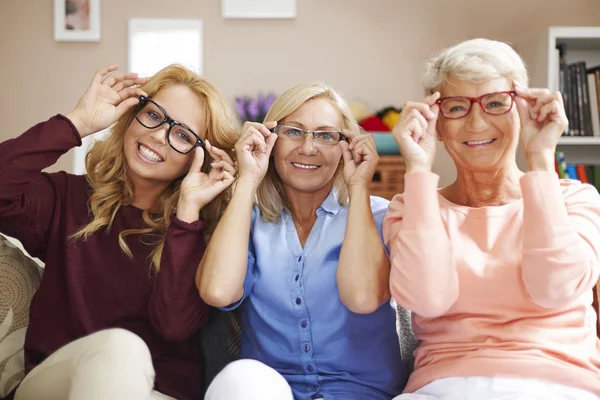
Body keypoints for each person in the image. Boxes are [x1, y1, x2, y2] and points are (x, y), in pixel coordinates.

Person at [0, 64, 239, 400]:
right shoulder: (64, 198)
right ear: (131, 115)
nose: (159, 136)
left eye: (183, 135)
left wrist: (187, 213)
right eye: (154, 116)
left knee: (125, 353)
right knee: (121, 348)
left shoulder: (198, 234)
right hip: (59, 384)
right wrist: (77, 122)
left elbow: (173, 326)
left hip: (157, 392)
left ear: (199, 159)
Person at [385, 38, 600, 399]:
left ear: (523, 111)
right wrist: (417, 168)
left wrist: (541, 158)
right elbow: (427, 299)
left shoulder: (576, 198)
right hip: (443, 386)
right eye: (456, 107)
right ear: (436, 123)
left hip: (558, 383)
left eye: (496, 103)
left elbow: (556, 288)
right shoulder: (410, 207)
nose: (477, 122)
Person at [197, 82, 406, 399]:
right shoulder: (247, 221)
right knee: (238, 378)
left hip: (361, 393)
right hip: (269, 391)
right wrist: (248, 179)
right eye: (293, 131)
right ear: (271, 140)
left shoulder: (379, 216)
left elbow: (363, 296)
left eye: (325, 135)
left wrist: (359, 185)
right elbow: (217, 291)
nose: (308, 148)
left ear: (345, 146)